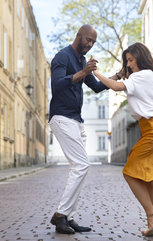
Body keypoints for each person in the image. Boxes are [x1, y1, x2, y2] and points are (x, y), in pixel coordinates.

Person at [92, 42, 153, 237]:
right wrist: (121, 72)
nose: (128, 65)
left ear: (140, 58)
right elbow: (121, 80)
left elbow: (115, 86)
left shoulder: (141, 75)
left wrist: (95, 73)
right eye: (126, 61)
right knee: (145, 177)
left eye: (131, 60)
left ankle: (151, 214)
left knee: (129, 172)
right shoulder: (147, 76)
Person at [48, 24, 119, 234]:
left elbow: (96, 87)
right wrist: (82, 72)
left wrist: (117, 75)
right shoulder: (62, 57)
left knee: (79, 169)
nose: (90, 44)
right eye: (88, 40)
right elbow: (57, 85)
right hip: (62, 117)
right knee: (81, 165)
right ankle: (60, 215)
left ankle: (68, 216)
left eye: (93, 42)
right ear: (78, 36)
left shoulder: (81, 61)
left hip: (77, 121)